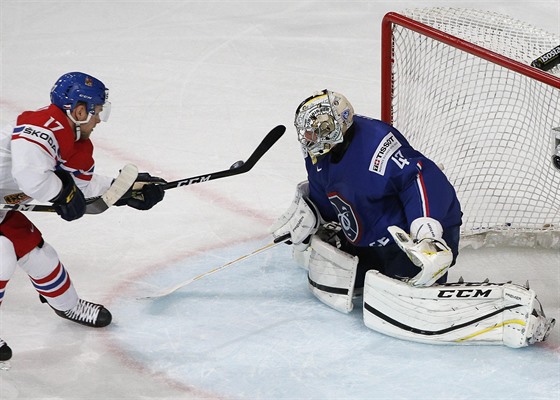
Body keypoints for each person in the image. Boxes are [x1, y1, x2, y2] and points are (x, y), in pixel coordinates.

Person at [0, 72, 166, 361]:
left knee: (39, 255)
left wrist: (126, 189)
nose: (99, 119)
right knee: (2, 256)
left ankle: (68, 305)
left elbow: (84, 187)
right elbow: (31, 178)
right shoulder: (40, 126)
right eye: (97, 111)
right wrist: (61, 193)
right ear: (79, 111)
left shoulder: (73, 141)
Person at [271, 89, 462, 310]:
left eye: (314, 131)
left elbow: (420, 178)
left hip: (408, 241)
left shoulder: (377, 147)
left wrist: (427, 232)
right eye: (305, 132)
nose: (307, 138)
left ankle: (429, 255)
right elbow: (330, 192)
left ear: (332, 128)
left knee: (403, 299)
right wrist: (313, 212)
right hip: (368, 238)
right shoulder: (318, 153)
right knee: (339, 274)